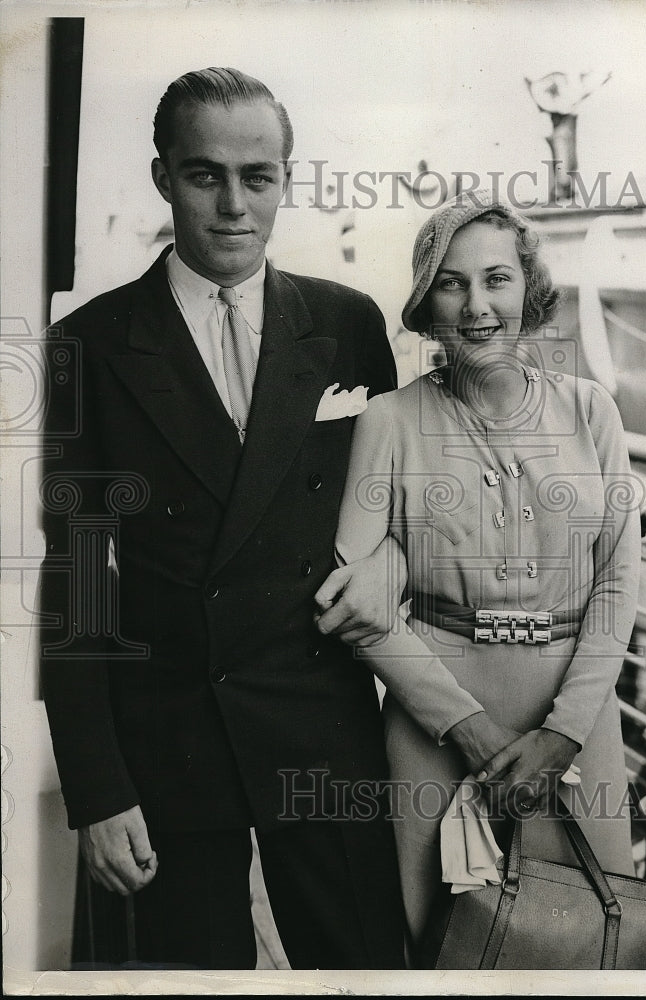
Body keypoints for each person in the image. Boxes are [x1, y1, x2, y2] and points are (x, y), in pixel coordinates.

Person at [39, 67, 407, 971]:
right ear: (164, 177)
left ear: (286, 179)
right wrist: (96, 788)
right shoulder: (87, 343)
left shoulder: (347, 322)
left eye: (259, 177)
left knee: (364, 971)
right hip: (170, 740)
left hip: (322, 724)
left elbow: (395, 510)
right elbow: (76, 576)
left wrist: (386, 567)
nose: (234, 205)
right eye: (205, 175)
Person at [331, 188, 641, 962]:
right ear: (426, 302)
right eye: (452, 282)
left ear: (527, 291)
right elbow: (351, 602)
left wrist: (565, 732)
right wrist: (462, 726)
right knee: (445, 945)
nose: (476, 306)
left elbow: (616, 581)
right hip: (434, 723)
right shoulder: (389, 423)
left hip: (574, 716)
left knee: (583, 938)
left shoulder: (589, 410)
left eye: (496, 279)